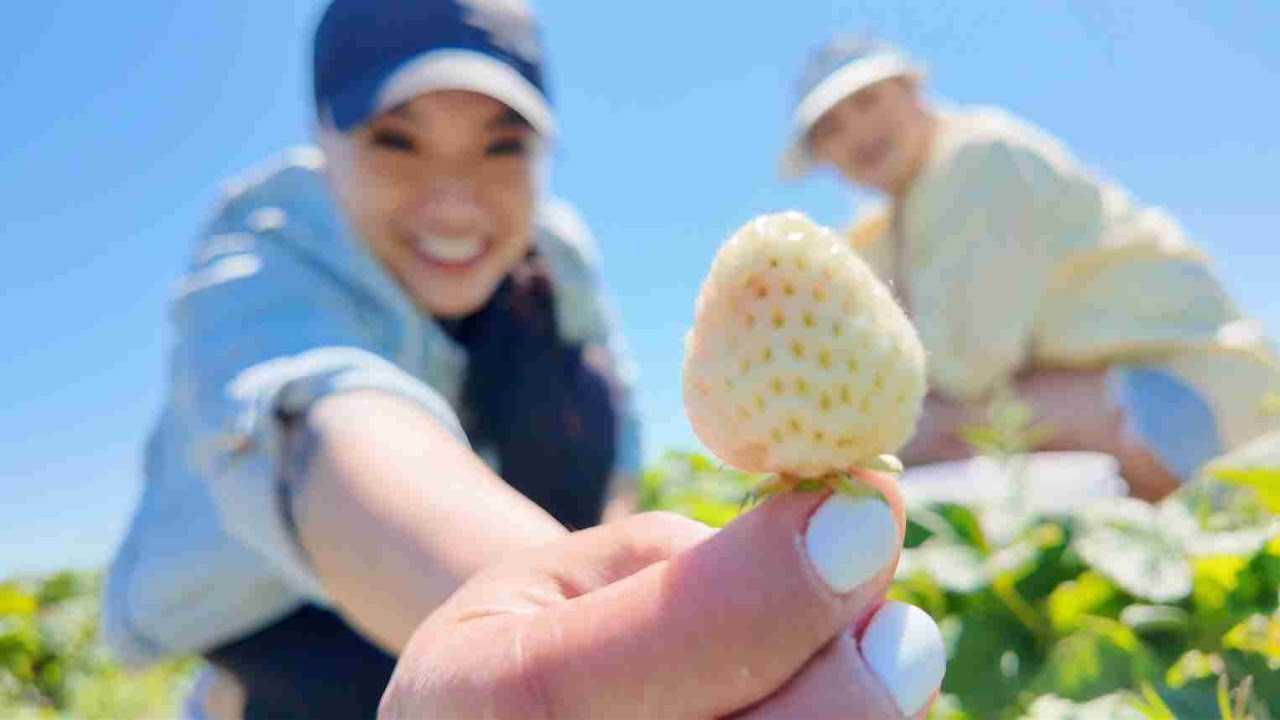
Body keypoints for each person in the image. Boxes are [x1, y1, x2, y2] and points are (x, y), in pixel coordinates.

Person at [103, 0, 644, 715]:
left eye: (502, 146)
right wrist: (610, 658)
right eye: (396, 140)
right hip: (277, 609)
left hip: (472, 558)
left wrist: (614, 578)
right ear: (321, 135)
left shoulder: (558, 254)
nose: (454, 207)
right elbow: (342, 435)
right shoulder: (266, 248)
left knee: (571, 376)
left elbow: (618, 436)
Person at [780, 36, 1280, 501]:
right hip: (1129, 405)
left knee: (913, 436)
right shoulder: (896, 223)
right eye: (831, 130)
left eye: (868, 102)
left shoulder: (977, 159)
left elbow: (967, 366)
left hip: (1198, 405)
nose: (857, 132)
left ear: (913, 91)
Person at [380, 476, 948, 719]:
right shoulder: (300, 269)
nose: (459, 216)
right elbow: (339, 430)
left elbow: (611, 516)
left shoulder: (576, 304)